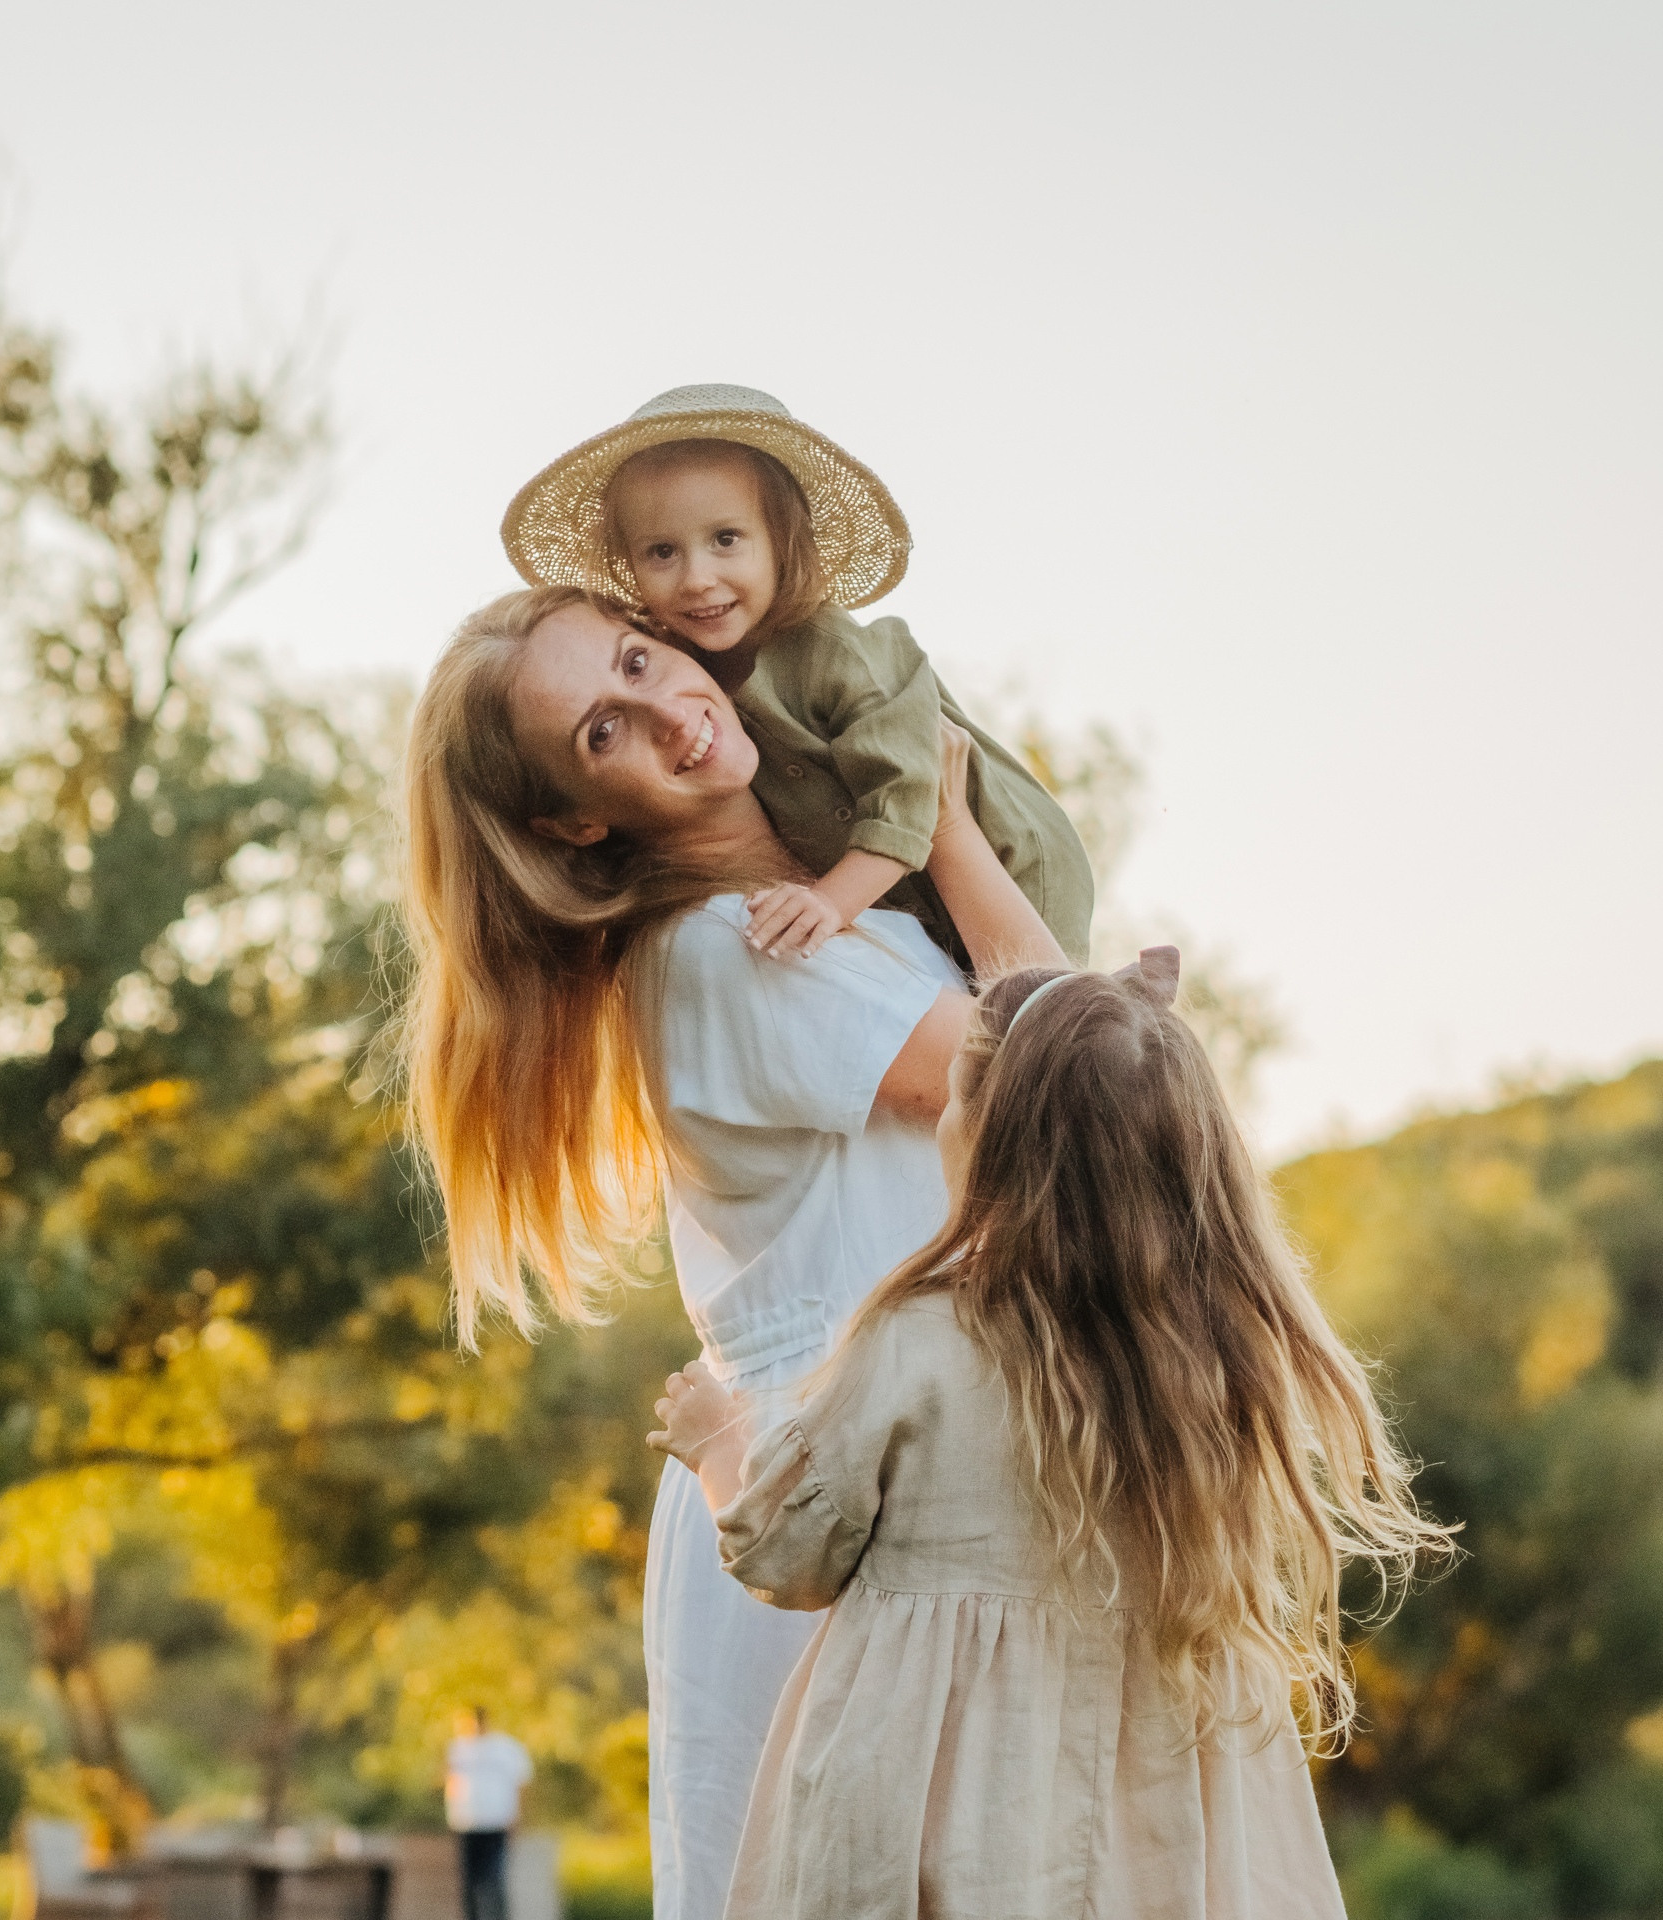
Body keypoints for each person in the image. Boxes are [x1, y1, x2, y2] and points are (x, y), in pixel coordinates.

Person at [399, 586, 1067, 1920]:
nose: (668, 712)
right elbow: (1063, 1058)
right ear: (577, 820)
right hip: (833, 1497)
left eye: (645, 663)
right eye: (603, 730)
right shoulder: (730, 948)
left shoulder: (814, 919)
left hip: (901, 1479)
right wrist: (936, 814)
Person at [650, 954, 1457, 1919]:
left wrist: (716, 1444)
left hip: (942, 1815)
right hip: (1156, 1828)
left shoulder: (916, 1339)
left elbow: (790, 1553)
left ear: (990, 1141)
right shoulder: (1217, 1368)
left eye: (955, 1102)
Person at [500, 383, 1094, 969]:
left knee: (1035, 999)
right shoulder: (681, 676)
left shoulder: (835, 650)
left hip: (1014, 865)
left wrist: (831, 902)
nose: (696, 577)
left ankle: (1110, 1006)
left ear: (782, 542)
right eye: (661, 552)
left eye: (726, 539)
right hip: (920, 901)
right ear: (629, 563)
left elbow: (913, 789)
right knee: (972, 995)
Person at [444, 1707, 533, 1920]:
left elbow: (521, 1782)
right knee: (469, 1883)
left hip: (496, 1823)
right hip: (466, 1824)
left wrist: (517, 1816)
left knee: (493, 1881)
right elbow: (449, 1781)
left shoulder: (504, 1747)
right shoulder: (458, 1748)